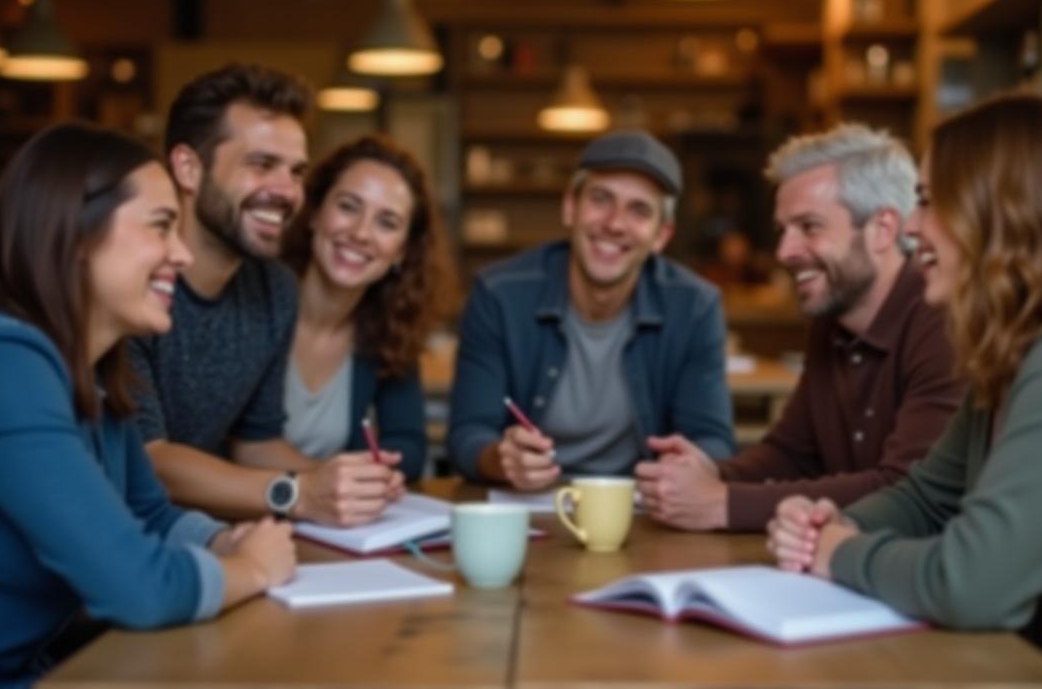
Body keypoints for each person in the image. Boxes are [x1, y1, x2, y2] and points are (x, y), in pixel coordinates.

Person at [769, 95, 1042, 689]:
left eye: (926, 200)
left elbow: (972, 585)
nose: (913, 226)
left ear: (1002, 212)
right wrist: (831, 522)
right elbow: (926, 500)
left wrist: (837, 552)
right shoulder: (1018, 350)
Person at [0, 123, 295, 688]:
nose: (182, 252)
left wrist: (225, 540)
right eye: (161, 227)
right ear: (76, 234)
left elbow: (148, 514)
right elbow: (137, 588)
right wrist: (252, 568)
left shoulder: (95, 365)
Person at [636, 124, 964, 531]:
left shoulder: (943, 319)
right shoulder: (833, 318)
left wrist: (723, 503)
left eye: (809, 227)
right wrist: (713, 474)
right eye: (783, 230)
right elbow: (790, 453)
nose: (784, 252)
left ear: (883, 228)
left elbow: (906, 490)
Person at [130, 63, 401, 527]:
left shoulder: (276, 290)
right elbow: (146, 458)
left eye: (296, 172)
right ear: (188, 168)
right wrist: (297, 493)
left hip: (209, 534)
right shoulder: (132, 281)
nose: (286, 191)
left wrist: (340, 483)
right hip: (123, 545)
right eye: (261, 165)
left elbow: (254, 442)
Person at [446, 130, 735, 490]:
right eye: (601, 199)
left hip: (639, 509)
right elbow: (466, 435)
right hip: (524, 507)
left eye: (639, 210)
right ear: (571, 207)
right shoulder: (498, 293)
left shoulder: (696, 307)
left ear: (661, 236)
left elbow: (714, 440)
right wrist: (501, 460)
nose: (614, 224)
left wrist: (688, 465)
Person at [282, 136, 445, 481]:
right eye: (348, 206)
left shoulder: (387, 327)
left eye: (386, 223)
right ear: (314, 213)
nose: (360, 233)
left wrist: (375, 473)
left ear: (402, 252)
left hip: (332, 528)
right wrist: (327, 481)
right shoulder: (256, 309)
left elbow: (410, 444)